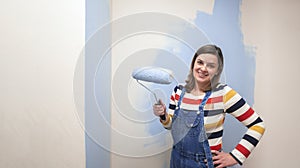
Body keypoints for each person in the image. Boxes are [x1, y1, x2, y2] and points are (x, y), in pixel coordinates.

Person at [153, 44, 265, 168]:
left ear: (217, 70)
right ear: (193, 64)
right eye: (200, 62)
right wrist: (163, 115)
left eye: (210, 66)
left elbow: (258, 125)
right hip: (177, 160)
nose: (203, 68)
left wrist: (235, 156)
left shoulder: (223, 94)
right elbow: (171, 127)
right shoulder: (178, 91)